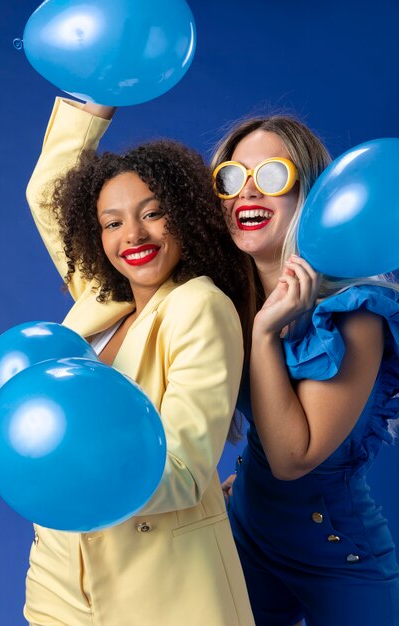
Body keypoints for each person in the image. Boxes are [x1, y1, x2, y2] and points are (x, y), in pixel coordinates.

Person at [23, 96, 256, 626]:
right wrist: (96, 95)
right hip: (60, 574)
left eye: (152, 213)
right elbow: (47, 193)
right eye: (112, 222)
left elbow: (185, 471)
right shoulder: (100, 297)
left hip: (159, 583)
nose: (133, 235)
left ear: (186, 218)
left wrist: (68, 471)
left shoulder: (199, 305)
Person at [212, 116, 399, 626]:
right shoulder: (224, 295)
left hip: (337, 555)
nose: (248, 193)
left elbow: (293, 459)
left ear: (313, 194)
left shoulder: (355, 313)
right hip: (246, 534)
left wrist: (267, 335)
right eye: (231, 177)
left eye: (272, 176)